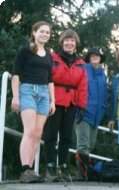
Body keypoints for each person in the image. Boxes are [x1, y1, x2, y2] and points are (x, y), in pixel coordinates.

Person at [11, 21, 55, 183]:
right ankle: (25, 169)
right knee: (29, 131)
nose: (45, 34)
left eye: (48, 32)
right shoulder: (25, 51)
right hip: (28, 91)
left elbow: (50, 80)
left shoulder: (49, 55)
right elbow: (16, 75)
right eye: (42, 31)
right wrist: (16, 97)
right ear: (34, 33)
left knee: (37, 133)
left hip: (44, 94)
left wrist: (53, 100)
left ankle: (30, 170)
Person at [43, 29, 87, 181]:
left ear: (76, 44)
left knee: (67, 136)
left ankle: (63, 166)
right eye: (67, 40)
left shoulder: (81, 63)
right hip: (54, 101)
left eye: (72, 41)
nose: (69, 43)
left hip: (71, 103)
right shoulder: (52, 58)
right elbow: (46, 79)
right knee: (50, 134)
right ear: (62, 42)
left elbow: (82, 86)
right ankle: (50, 167)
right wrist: (47, 100)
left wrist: (82, 106)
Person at [74, 48, 107, 180]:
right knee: (83, 145)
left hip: (97, 116)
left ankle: (86, 172)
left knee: (91, 144)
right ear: (88, 57)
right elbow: (76, 88)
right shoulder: (83, 69)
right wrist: (78, 108)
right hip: (83, 113)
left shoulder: (102, 74)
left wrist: (104, 111)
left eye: (97, 56)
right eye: (92, 55)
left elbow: (105, 95)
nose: (95, 57)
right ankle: (81, 175)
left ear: (101, 58)